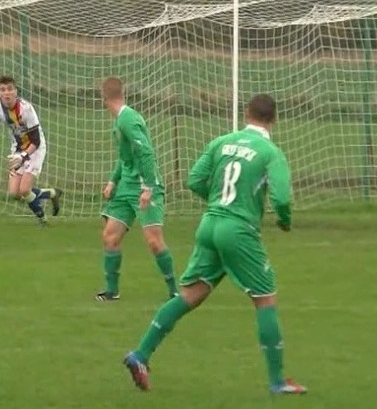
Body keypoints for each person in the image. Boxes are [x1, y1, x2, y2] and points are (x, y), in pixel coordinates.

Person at [122, 94, 307, 395]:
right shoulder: (271, 152)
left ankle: (140, 355)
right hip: (238, 231)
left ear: (246, 113)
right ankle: (277, 381)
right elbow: (283, 198)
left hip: (209, 224)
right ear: (274, 119)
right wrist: (284, 220)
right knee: (265, 298)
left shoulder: (222, 142)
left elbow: (195, 179)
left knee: (189, 295)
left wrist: (218, 202)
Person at [96, 77, 178, 301]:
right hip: (126, 187)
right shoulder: (120, 121)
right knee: (110, 237)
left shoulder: (128, 120)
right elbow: (126, 158)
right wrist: (113, 181)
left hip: (144, 186)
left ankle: (176, 292)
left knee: (153, 241)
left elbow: (147, 153)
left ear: (104, 99)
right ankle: (112, 291)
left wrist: (149, 188)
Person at [0, 75, 62, 226]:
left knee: (24, 190)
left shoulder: (26, 109)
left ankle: (43, 221)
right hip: (17, 150)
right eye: (3, 90)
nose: (7, 93)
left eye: (10, 89)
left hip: (34, 149)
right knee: (14, 193)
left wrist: (24, 155)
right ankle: (52, 193)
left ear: (16, 92)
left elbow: (36, 140)